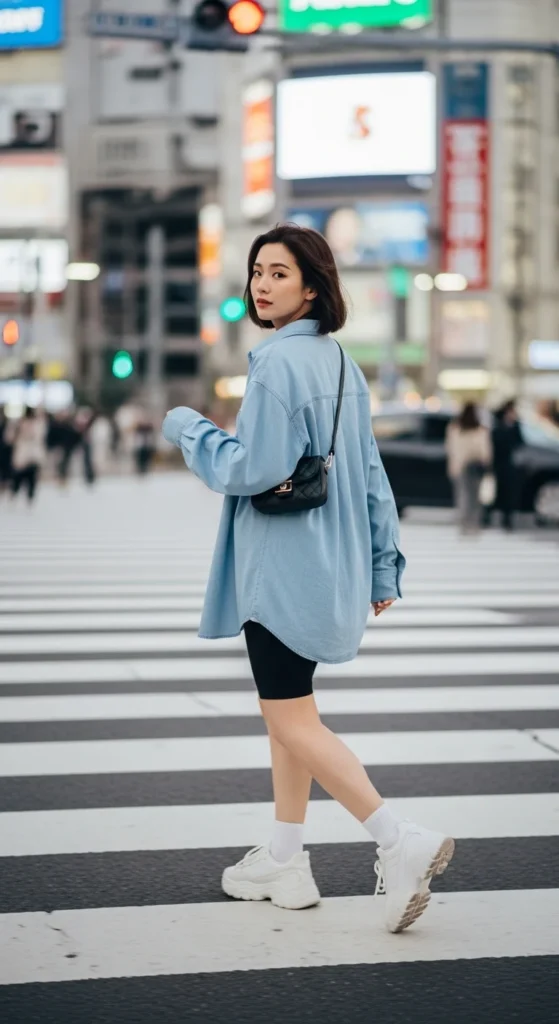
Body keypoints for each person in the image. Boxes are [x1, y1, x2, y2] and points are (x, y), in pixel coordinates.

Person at [162, 223, 455, 934]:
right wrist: (384, 563)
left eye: (279, 274)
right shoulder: (338, 363)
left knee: (289, 717)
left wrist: (189, 429)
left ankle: (396, 840)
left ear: (312, 287)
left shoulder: (274, 364)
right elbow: (371, 475)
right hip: (330, 564)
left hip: (280, 568)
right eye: (257, 271)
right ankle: (285, 857)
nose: (262, 284)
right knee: (288, 716)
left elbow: (250, 469)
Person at [445, 402, 492, 535]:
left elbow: (451, 449)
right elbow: (485, 450)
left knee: (463, 496)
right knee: (475, 497)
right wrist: (487, 464)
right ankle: (474, 524)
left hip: (461, 466)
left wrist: (453, 467)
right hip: (476, 465)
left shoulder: (455, 428)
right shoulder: (480, 429)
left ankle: (464, 524)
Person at [487, 399, 523, 531]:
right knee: (494, 493)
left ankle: (507, 520)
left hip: (509, 464)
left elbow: (519, 442)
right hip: (497, 463)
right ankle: (487, 517)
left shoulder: (515, 425)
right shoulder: (497, 424)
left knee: (509, 493)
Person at [10, 406, 47, 504]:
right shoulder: (19, 424)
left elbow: (40, 437)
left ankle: (30, 496)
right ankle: (15, 493)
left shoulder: (38, 424)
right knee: (19, 476)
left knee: (32, 477)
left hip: (33, 454)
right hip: (22, 454)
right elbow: (10, 438)